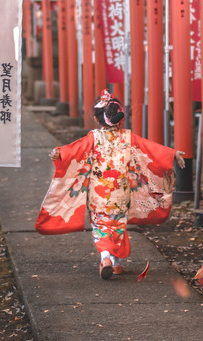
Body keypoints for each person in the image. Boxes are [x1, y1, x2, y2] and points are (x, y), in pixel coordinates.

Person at [35, 89, 185, 279]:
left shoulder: (94, 138)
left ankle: (106, 257)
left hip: (99, 193)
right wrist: (173, 154)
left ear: (98, 119)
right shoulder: (129, 138)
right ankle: (117, 263)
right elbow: (151, 149)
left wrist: (59, 153)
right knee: (117, 224)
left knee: (100, 226)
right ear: (119, 118)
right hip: (121, 193)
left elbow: (76, 150)